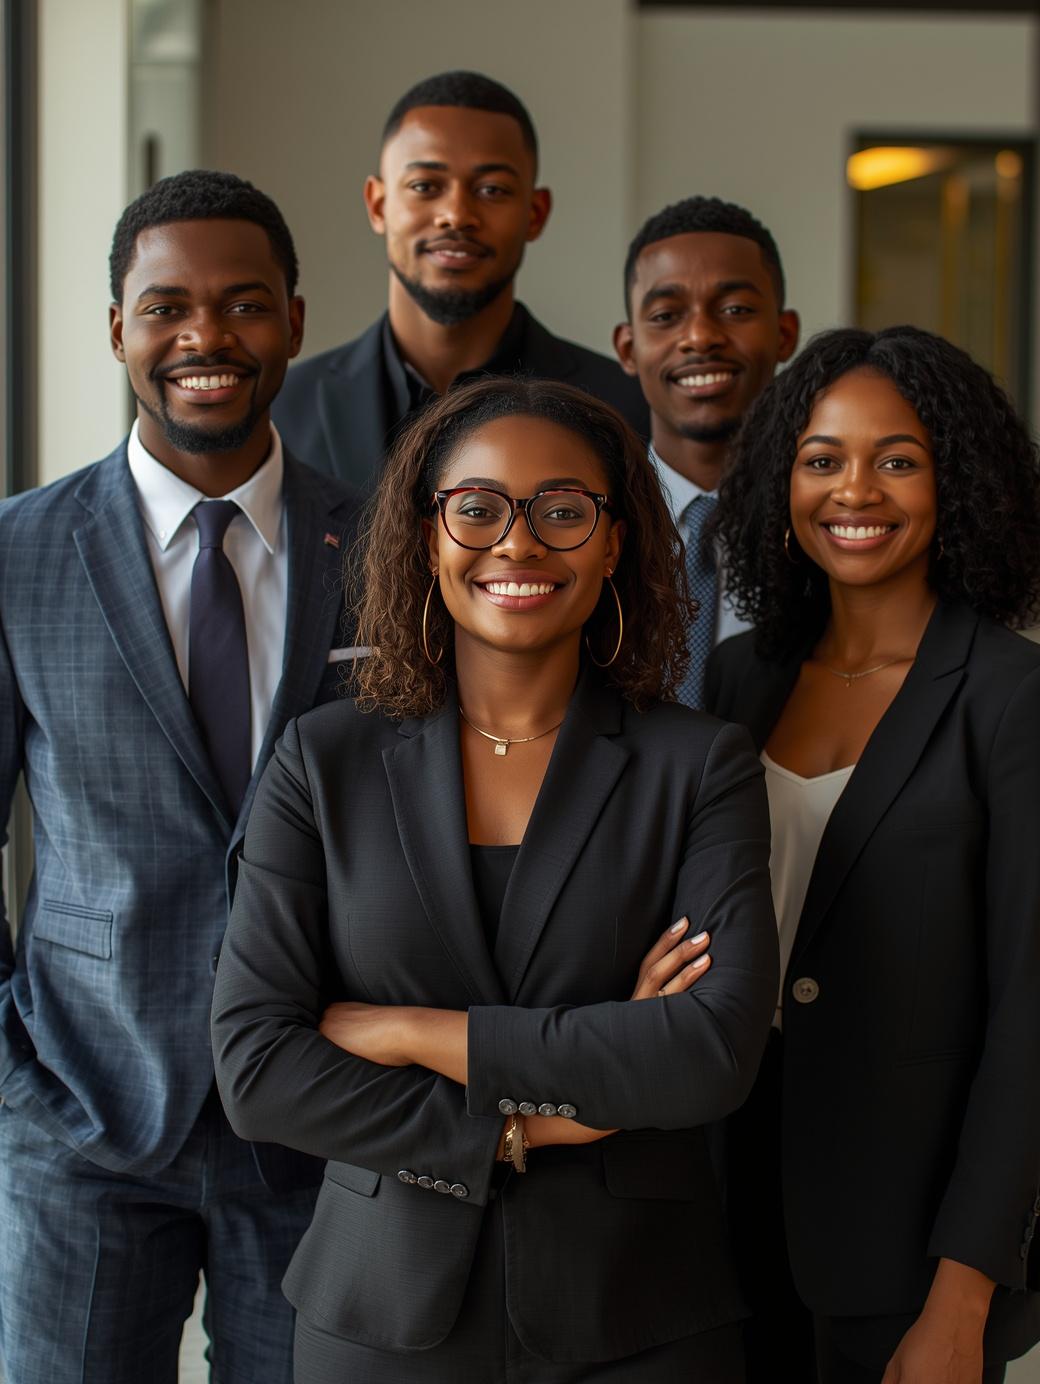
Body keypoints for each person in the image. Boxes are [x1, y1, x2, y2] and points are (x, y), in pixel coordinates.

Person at [212, 377, 779, 1381]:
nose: (516, 543)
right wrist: (531, 1126)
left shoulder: (698, 764)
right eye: (476, 509)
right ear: (426, 537)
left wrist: (409, 1030)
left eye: (562, 510)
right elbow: (258, 1069)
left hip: (641, 1317)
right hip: (377, 1319)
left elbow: (707, 1049)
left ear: (612, 543)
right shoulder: (321, 759)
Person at [0, 170, 360, 1384]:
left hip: (317, 1126)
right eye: (166, 308)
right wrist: (16, 1085)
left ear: (296, 323)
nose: (205, 336)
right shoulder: (18, 555)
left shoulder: (384, 551)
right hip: (84, 1125)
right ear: (118, 330)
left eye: (244, 303)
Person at [707, 326, 1040, 1384]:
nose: (855, 491)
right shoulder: (733, 681)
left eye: (897, 459)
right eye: (821, 459)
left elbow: (1030, 1018)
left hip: (906, 1243)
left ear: (958, 480)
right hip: (713, 1216)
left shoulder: (1009, 697)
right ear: (778, 480)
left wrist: (963, 1292)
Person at [273, 71, 649, 490]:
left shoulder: (625, 407)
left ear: (535, 213)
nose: (456, 214)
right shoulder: (283, 409)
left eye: (491, 190)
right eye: (425, 186)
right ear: (378, 205)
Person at [613, 196, 800, 709]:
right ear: (628, 348)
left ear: (785, 334)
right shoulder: (587, 524)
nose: (699, 337)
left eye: (736, 310)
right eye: (666, 314)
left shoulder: (827, 525)